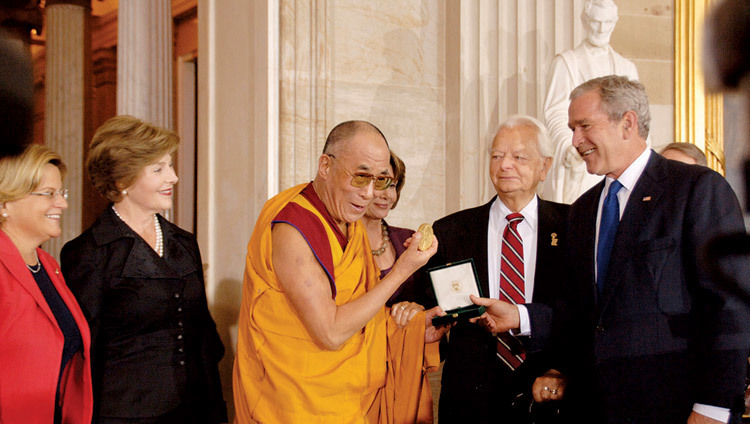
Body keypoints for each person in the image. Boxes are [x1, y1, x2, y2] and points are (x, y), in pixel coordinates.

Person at [233, 120, 447, 423]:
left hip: (351, 401)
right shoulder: (292, 227)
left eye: (381, 181)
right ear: (325, 166)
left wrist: (408, 327)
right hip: (295, 404)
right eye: (360, 177)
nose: (370, 193)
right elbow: (331, 332)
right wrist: (401, 271)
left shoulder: (350, 224)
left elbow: (356, 314)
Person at [564, 75, 749, 423]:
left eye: (584, 126)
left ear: (628, 123)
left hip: (678, 410)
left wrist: (714, 406)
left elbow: (729, 305)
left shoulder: (696, 189)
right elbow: (583, 314)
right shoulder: (582, 211)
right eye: (573, 128)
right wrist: (521, 318)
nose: (575, 140)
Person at [60, 115, 227, 423]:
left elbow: (204, 334)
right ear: (122, 181)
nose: (173, 177)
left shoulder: (185, 243)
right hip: (123, 414)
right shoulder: (88, 254)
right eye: (158, 169)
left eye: (170, 165)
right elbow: (83, 353)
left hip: (195, 410)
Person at [424, 115, 571, 423]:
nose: (505, 165)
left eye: (519, 157)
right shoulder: (451, 231)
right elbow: (430, 311)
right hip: (470, 402)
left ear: (545, 167)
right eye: (496, 156)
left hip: (547, 396)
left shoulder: (573, 227)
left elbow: (584, 311)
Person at [0, 144, 93, 423]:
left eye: (61, 193)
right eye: (49, 194)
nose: (62, 204)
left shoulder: (48, 264)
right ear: (6, 203)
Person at [540, 0, 640, 204]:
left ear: (615, 22)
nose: (602, 29)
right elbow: (555, 113)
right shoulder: (566, 63)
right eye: (596, 22)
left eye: (607, 22)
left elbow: (639, 121)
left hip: (619, 166)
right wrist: (570, 148)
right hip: (581, 161)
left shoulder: (626, 68)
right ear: (584, 20)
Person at [363, 149, 430, 309]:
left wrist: (417, 309)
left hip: (409, 333)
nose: (387, 195)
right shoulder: (340, 241)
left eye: (392, 185)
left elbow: (430, 302)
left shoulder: (409, 239)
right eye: (380, 183)